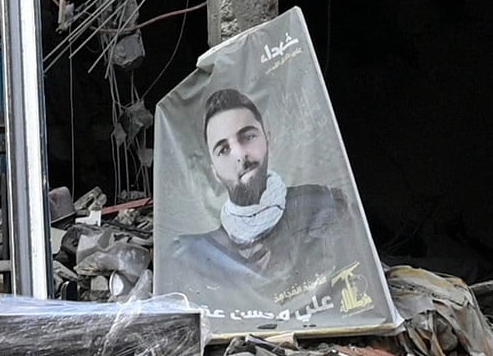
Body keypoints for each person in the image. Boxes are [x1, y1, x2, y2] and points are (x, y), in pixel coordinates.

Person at [148, 86, 386, 327]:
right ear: (214, 172)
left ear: (267, 137)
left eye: (247, 136)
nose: (240, 154)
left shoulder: (323, 205)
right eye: (224, 149)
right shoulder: (195, 255)